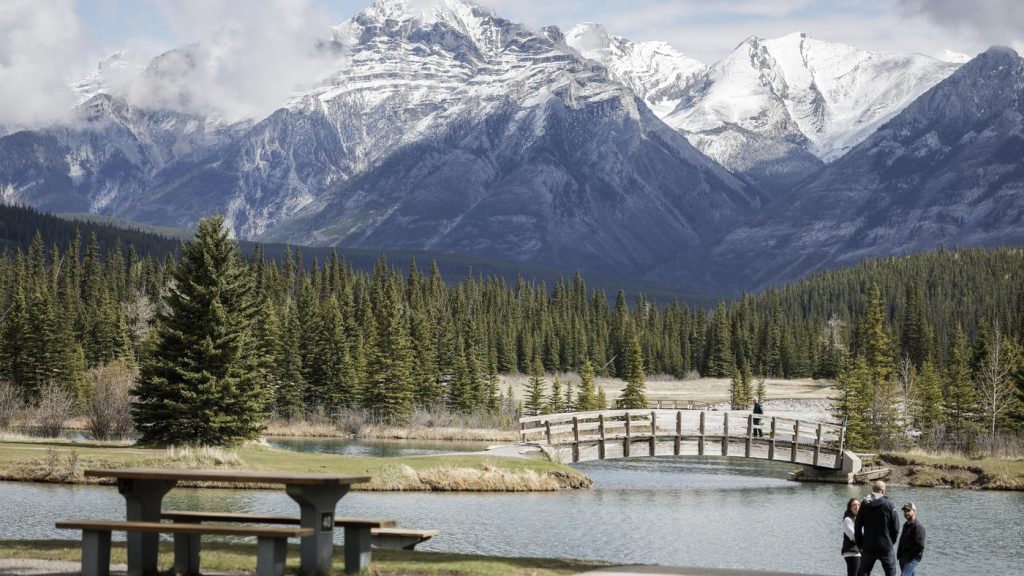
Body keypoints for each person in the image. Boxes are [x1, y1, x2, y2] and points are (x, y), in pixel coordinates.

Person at [854, 480, 900, 576]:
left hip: (868, 546)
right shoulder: (889, 504)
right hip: (885, 546)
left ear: (872, 490)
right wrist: (891, 542)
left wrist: (860, 544)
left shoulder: (864, 504)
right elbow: (895, 527)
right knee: (890, 573)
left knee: (864, 573)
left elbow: (857, 526)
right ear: (883, 491)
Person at [897, 502, 925, 576]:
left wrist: (909, 557)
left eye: (908, 510)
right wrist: (899, 555)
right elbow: (901, 541)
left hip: (912, 559)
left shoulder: (918, 527)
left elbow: (920, 546)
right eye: (905, 511)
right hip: (903, 557)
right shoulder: (905, 525)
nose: (906, 513)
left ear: (915, 511)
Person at [842, 497, 861, 576]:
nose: (857, 507)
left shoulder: (858, 520)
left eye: (858, 505)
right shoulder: (847, 520)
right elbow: (853, 536)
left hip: (858, 552)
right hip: (851, 552)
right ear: (850, 508)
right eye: (854, 505)